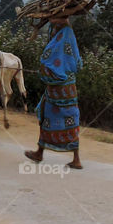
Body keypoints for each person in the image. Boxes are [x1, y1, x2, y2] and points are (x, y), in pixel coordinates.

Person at [25, 16, 84, 169]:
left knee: (47, 116)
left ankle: (40, 152)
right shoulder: (66, 33)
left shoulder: (63, 34)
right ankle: (44, 152)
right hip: (67, 87)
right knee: (69, 118)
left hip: (59, 88)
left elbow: (50, 58)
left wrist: (44, 70)